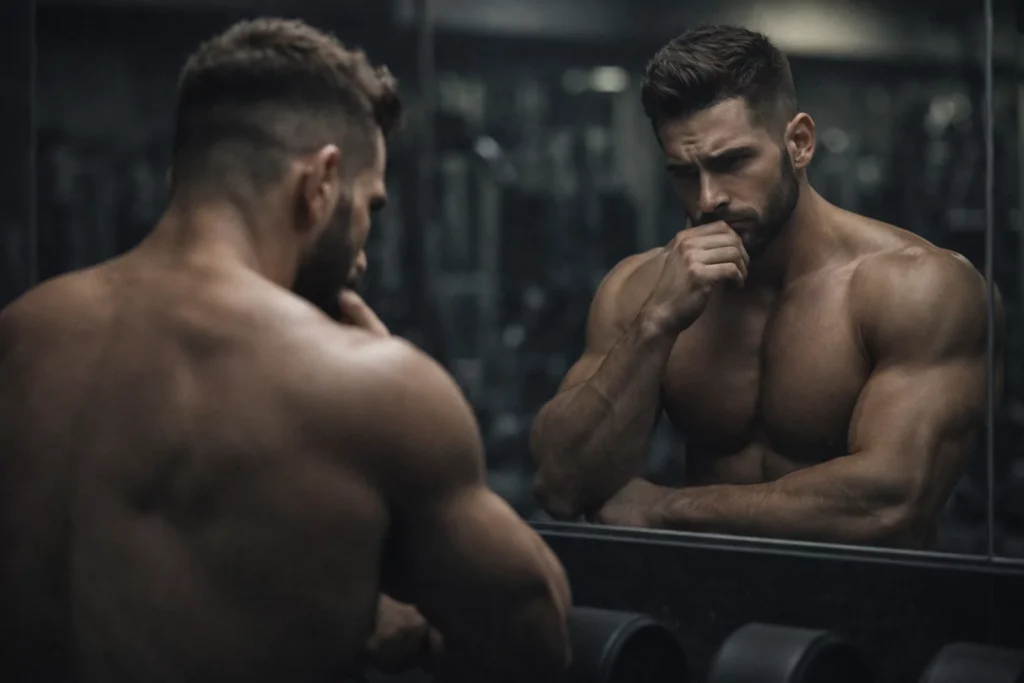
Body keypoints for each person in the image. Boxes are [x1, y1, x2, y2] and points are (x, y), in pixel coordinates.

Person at [0, 18, 571, 683]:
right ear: (321, 182)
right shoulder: (367, 384)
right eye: (369, 207)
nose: (362, 251)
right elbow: (539, 636)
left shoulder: (19, 333)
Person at [530, 25, 1002, 549]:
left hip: (861, 613)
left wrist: (667, 508)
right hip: (698, 610)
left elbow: (893, 504)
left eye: (732, 162)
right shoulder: (640, 288)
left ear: (798, 143)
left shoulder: (917, 286)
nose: (708, 198)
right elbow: (562, 483)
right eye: (685, 173)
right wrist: (656, 325)